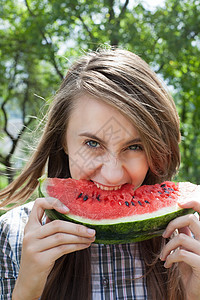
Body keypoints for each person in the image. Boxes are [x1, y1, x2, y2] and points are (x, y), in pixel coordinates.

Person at [0, 48, 200, 300]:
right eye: (92, 144)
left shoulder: (191, 240)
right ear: (63, 139)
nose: (113, 174)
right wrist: (27, 289)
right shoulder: (13, 235)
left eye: (134, 147)